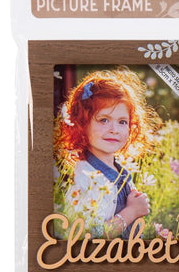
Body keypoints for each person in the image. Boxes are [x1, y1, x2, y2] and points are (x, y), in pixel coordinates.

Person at [53, 67, 161, 239]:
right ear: (82, 124)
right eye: (104, 120)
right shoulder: (85, 177)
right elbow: (92, 235)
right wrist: (132, 211)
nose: (114, 129)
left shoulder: (119, 170)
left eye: (122, 122)